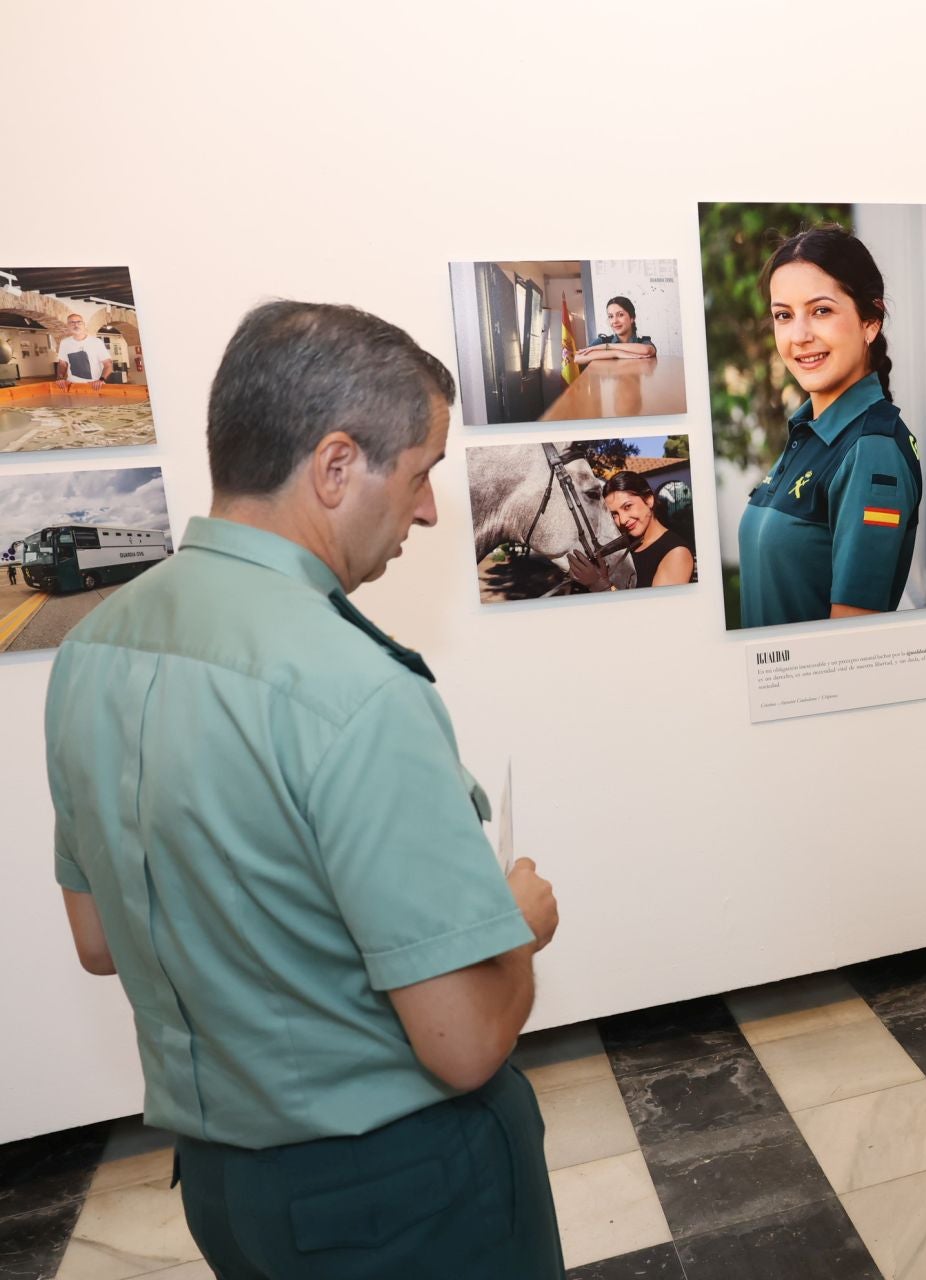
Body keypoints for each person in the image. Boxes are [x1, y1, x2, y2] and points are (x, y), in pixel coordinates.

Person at [42, 301, 565, 1278]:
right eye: (419, 475)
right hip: (402, 1197)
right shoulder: (356, 686)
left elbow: (99, 939)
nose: (426, 512)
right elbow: (461, 1040)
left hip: (226, 1190)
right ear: (335, 465)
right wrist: (517, 925)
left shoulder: (93, 648)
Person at [736, 225, 921, 627]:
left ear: (870, 321)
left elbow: (851, 643)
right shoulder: (811, 432)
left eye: (821, 310)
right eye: (784, 315)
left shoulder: (871, 450)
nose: (799, 336)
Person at [566, 470, 695, 589]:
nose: (622, 520)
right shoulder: (629, 546)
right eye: (614, 514)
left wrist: (598, 584)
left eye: (627, 507)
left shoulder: (677, 553)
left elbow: (655, 611)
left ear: (649, 500)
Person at [575, 295, 657, 364]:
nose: (614, 321)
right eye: (611, 316)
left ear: (632, 318)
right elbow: (577, 357)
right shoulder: (602, 341)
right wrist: (615, 353)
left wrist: (608, 346)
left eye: (620, 315)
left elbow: (647, 350)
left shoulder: (642, 342)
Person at [55, 312, 112, 385]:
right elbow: (62, 364)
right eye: (72, 323)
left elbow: (108, 364)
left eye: (79, 322)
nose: (76, 325)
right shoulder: (65, 343)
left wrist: (101, 379)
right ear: (68, 326)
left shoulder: (96, 342)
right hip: (73, 385)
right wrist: (60, 378)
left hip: (94, 385)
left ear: (84, 325)